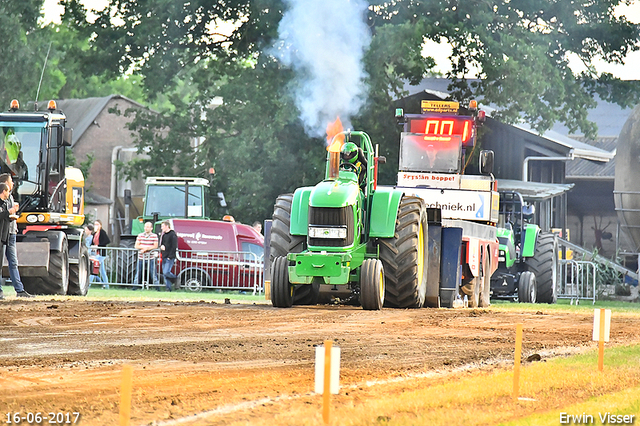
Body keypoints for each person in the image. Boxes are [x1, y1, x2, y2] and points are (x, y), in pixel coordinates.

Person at [0, 173, 33, 298]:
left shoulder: (10, 197)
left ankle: (19, 290)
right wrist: (11, 212)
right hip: (5, 233)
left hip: (11, 232)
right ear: (5, 184)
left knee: (13, 262)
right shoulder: (3, 199)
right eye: (11, 181)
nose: (13, 183)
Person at [135, 221, 159, 289]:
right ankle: (135, 286)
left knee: (153, 273)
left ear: (151, 228)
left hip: (151, 258)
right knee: (138, 273)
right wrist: (144, 248)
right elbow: (136, 245)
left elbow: (155, 246)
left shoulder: (154, 236)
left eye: (148, 227)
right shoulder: (140, 235)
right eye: (145, 227)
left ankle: (157, 287)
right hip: (141, 257)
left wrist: (146, 249)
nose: (146, 228)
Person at [0, 183, 12, 300]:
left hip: (3, 238)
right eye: (8, 191)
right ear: (3, 191)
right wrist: (9, 212)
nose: (9, 194)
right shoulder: (1, 204)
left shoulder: (5, 203)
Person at [159, 221, 178, 291]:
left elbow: (174, 246)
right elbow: (162, 244)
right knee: (165, 274)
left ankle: (175, 278)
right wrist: (161, 246)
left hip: (170, 257)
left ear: (167, 226)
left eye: (162, 226)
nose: (161, 228)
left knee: (166, 272)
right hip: (164, 256)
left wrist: (170, 256)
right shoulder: (164, 235)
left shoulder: (172, 234)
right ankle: (168, 288)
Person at [91, 219, 110, 288]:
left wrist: (98, 246)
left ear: (100, 225)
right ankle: (106, 285)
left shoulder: (102, 232)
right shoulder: (94, 234)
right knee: (100, 271)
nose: (96, 226)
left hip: (101, 254)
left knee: (96, 270)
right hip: (96, 254)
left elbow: (106, 241)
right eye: (95, 224)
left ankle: (89, 284)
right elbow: (92, 242)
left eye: (97, 224)